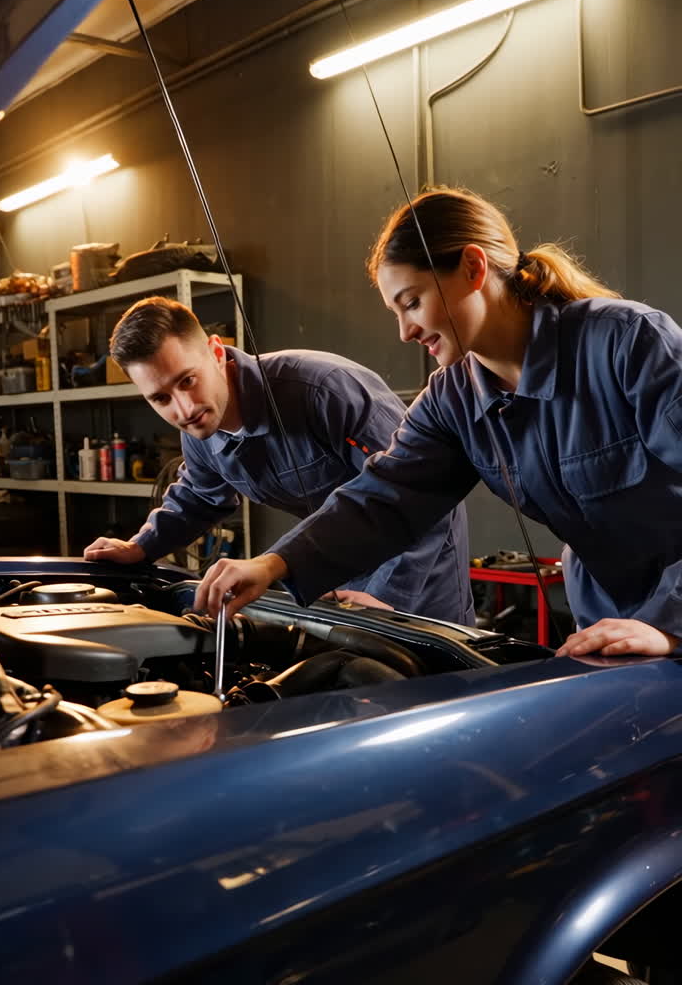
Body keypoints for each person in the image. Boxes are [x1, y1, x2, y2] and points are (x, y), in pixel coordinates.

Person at [196, 185, 682, 660]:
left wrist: (667, 624)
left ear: (473, 267)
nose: (405, 331)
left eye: (412, 302)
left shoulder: (627, 342)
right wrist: (274, 564)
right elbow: (382, 499)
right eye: (395, 311)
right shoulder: (452, 399)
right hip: (605, 625)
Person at [83, 296, 474, 623]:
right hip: (330, 564)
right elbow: (199, 497)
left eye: (188, 380)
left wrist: (386, 594)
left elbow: (423, 496)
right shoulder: (200, 427)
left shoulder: (325, 391)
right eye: (161, 398)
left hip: (418, 573)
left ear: (217, 353)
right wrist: (141, 546)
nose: (183, 408)